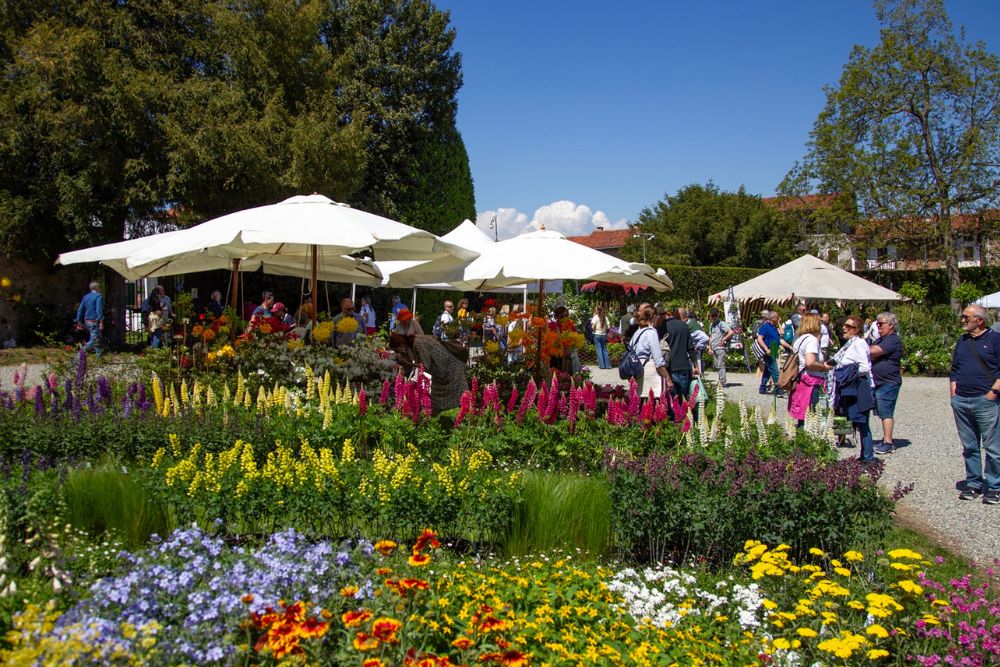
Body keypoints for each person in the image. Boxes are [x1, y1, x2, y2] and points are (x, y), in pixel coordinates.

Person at [950, 304, 1000, 504]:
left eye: (966, 317)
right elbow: (954, 368)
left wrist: (993, 392)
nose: (962, 320)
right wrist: (953, 392)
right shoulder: (962, 341)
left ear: (980, 320)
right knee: (969, 446)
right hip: (962, 400)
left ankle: (994, 486)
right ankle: (974, 483)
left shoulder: (995, 340)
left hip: (985, 400)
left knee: (993, 447)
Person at [833, 316, 876, 463]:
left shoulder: (859, 344)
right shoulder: (849, 344)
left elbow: (864, 367)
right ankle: (863, 454)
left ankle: (868, 458)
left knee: (863, 423)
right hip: (851, 386)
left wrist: (847, 374)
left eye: (848, 326)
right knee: (855, 420)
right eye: (844, 325)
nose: (844, 328)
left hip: (859, 387)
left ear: (856, 329)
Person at [788, 313, 832, 427]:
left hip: (801, 379)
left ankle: (801, 440)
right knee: (812, 416)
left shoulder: (800, 339)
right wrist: (824, 367)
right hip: (811, 382)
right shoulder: (811, 340)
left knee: (803, 416)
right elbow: (810, 362)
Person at [870, 312, 903, 455]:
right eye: (877, 323)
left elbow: (873, 351)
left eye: (881, 323)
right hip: (878, 382)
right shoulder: (880, 339)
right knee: (880, 411)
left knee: (886, 412)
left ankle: (888, 442)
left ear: (891, 325)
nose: (878, 326)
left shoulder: (892, 340)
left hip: (888, 382)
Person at [629, 303, 673, 399]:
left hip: (636, 373)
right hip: (649, 375)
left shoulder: (637, 332)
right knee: (651, 406)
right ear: (654, 317)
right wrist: (668, 379)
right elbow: (658, 361)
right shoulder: (651, 333)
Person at [663, 307, 698, 401]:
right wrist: (696, 365)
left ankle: (674, 415)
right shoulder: (684, 326)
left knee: (672, 398)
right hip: (683, 365)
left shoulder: (663, 326)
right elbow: (690, 348)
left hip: (669, 366)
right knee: (683, 397)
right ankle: (685, 414)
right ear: (682, 316)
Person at [757, 311, 793, 396]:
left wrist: (790, 347)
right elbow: (759, 339)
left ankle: (762, 388)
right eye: (777, 317)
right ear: (773, 318)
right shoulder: (765, 327)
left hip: (774, 348)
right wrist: (766, 349)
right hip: (769, 349)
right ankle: (778, 389)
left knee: (768, 370)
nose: (779, 318)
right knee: (775, 369)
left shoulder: (774, 327)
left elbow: (782, 335)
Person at [74, 281, 104, 357]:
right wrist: (101, 320)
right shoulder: (98, 296)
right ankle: (81, 351)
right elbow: (99, 309)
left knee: (95, 337)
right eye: (99, 287)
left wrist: (78, 320)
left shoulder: (86, 297)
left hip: (87, 320)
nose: (99, 288)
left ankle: (99, 356)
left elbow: (80, 309)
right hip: (94, 320)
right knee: (94, 339)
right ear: (96, 288)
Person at [708, 308, 734, 387]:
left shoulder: (721, 324)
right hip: (714, 348)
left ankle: (723, 383)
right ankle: (720, 381)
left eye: (715, 315)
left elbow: (731, 332)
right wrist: (709, 348)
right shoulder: (711, 325)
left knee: (721, 365)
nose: (714, 317)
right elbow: (710, 337)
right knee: (717, 366)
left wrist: (724, 339)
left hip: (720, 348)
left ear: (718, 315)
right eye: (712, 316)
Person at [591, 305, 611, 369]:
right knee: (604, 350)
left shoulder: (595, 317)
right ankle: (608, 365)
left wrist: (594, 329)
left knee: (599, 350)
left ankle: (602, 365)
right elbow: (609, 327)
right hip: (603, 335)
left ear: (597, 310)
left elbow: (592, 327)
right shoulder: (606, 317)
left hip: (597, 334)